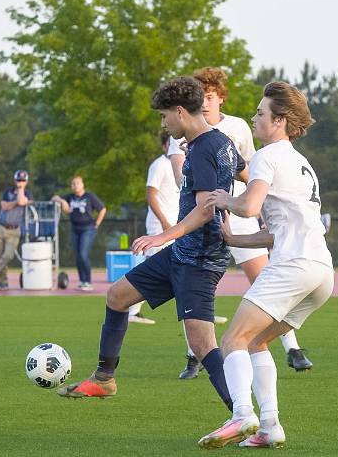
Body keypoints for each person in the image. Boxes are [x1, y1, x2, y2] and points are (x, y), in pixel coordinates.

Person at [58, 77, 246, 410]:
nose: (162, 123)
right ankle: (104, 379)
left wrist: (163, 235)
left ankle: (242, 414)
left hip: (199, 259)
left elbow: (204, 210)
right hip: (183, 252)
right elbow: (246, 174)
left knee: (202, 344)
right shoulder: (220, 143)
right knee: (117, 296)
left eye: (163, 116)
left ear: (179, 111)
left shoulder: (204, 148)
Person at [197, 81, 334, 449]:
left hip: (292, 266)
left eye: (261, 112)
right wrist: (235, 240)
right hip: (321, 272)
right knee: (257, 341)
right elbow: (280, 231)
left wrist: (225, 198)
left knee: (232, 340)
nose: (255, 117)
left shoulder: (267, 155)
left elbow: (250, 207)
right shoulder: (302, 163)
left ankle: (242, 414)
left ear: (280, 120)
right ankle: (270, 426)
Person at [169, 68, 313, 379]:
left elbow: (248, 173)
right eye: (200, 97)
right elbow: (183, 179)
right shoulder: (182, 128)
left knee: (262, 290)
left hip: (240, 217)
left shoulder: (238, 129)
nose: (205, 103)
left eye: (210, 96)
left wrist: (251, 206)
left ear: (220, 97)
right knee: (192, 288)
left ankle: (292, 347)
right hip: (206, 223)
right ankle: (194, 355)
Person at [128, 130, 180, 325]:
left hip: (175, 227)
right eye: (170, 143)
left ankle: (197, 312)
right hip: (160, 227)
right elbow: (151, 195)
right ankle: (131, 310)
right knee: (152, 267)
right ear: (164, 145)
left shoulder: (179, 164)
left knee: (179, 267)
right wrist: (165, 222)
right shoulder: (159, 165)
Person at [52, 176, 107, 292]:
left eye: (77, 183)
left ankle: (88, 281)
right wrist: (62, 201)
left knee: (83, 254)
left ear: (82, 184)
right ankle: (82, 281)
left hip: (88, 228)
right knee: (78, 255)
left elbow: (102, 209)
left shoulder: (89, 196)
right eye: (73, 183)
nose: (75, 185)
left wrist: (96, 224)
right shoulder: (70, 197)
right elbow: (54, 198)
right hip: (74, 228)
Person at [0, 170, 32, 291]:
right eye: (18, 180)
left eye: (22, 180)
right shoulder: (8, 192)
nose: (20, 182)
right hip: (0, 227)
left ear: (26, 181)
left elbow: (23, 201)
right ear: (14, 180)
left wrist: (20, 193)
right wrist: (16, 202)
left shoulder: (28, 193)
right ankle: (2, 281)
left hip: (14, 230)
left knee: (8, 255)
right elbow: (4, 206)